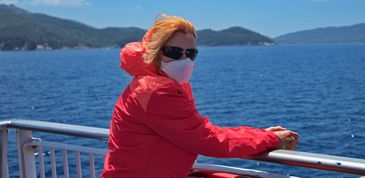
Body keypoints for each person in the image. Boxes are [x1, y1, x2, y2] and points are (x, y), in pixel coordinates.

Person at [101, 15, 299, 178]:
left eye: (191, 53)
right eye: (174, 52)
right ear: (154, 52)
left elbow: (194, 132)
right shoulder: (156, 90)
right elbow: (208, 139)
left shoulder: (159, 81)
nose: (184, 59)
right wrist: (270, 138)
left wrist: (260, 134)